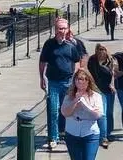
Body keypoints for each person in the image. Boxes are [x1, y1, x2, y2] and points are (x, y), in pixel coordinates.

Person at [39, 17, 88, 152]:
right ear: (55, 30)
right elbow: (42, 61)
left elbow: (78, 61)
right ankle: (53, 138)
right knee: (53, 110)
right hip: (54, 82)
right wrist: (41, 78)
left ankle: (67, 134)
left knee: (69, 111)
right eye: (60, 28)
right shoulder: (49, 44)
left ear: (67, 30)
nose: (62, 31)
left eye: (64, 28)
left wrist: (76, 75)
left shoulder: (71, 46)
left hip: (68, 82)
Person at [60, 68, 105, 160]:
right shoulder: (68, 96)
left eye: (84, 79)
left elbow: (97, 115)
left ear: (89, 81)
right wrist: (75, 101)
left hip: (90, 134)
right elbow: (65, 113)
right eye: (78, 79)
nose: (81, 82)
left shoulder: (96, 96)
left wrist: (85, 105)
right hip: (72, 133)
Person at [87, 43, 117, 147]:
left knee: (109, 112)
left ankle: (109, 133)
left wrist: (112, 84)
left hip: (109, 89)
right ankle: (103, 137)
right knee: (102, 113)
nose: (101, 51)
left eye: (103, 49)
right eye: (99, 49)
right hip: (98, 90)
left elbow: (114, 74)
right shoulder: (92, 60)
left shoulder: (111, 60)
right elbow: (90, 75)